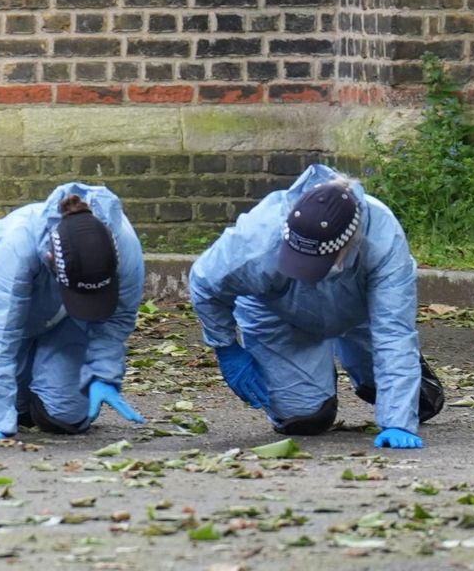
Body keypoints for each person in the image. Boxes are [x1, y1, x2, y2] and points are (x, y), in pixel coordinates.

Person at [189, 164, 444, 448]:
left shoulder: (384, 239)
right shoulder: (257, 238)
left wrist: (398, 421)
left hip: (359, 312)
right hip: (278, 313)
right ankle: (315, 371)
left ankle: (379, 369)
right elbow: (204, 283)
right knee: (305, 419)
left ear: (350, 244)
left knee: (415, 404)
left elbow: (393, 331)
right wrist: (226, 346)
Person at [0, 181, 146, 444]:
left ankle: (46, 375)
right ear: (51, 260)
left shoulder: (124, 243)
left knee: (64, 416)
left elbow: (117, 317)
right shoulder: (16, 244)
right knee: (14, 411)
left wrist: (103, 372)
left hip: (69, 318)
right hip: (1, 310)